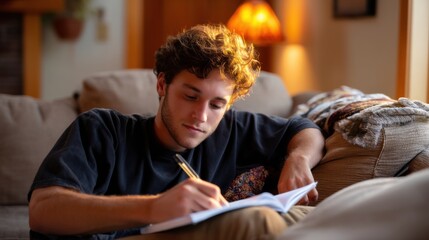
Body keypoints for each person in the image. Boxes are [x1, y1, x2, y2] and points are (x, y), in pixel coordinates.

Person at [28, 24, 324, 239]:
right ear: (161, 85)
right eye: (190, 96)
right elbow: (43, 211)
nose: (201, 115)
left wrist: (297, 159)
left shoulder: (230, 129)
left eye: (217, 104)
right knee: (254, 223)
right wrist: (155, 207)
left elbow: (304, 129)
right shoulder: (103, 130)